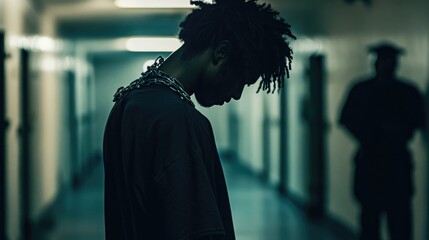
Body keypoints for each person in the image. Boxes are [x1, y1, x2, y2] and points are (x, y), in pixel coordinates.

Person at [102, 0, 295, 239]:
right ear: (221, 52)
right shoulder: (179, 121)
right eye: (241, 80)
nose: (236, 94)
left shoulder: (127, 102)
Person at [339, 42, 425, 240]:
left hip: (395, 164)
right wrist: (370, 134)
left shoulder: (407, 92)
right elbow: (347, 120)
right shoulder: (363, 90)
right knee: (371, 224)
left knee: (399, 224)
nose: (386, 66)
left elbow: (417, 121)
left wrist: (395, 131)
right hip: (372, 162)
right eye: (383, 61)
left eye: (390, 62)